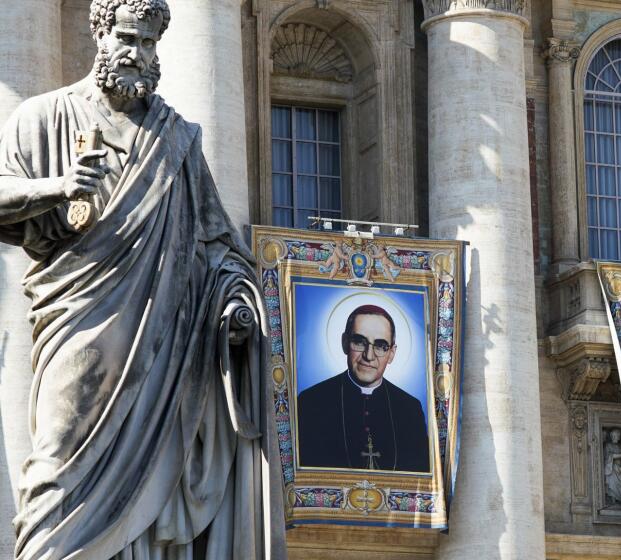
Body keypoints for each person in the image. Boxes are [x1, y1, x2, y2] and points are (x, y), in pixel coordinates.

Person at [0, 1, 284, 558]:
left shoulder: (177, 137)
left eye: (150, 45)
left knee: (152, 491)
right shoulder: (43, 115)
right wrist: (58, 187)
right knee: (55, 469)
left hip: (164, 341)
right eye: (128, 40)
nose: (138, 55)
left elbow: (217, 243)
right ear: (99, 36)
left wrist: (235, 304)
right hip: (78, 324)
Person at [296, 305, 430, 472]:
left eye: (381, 346)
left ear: (392, 354)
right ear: (345, 343)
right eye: (359, 342)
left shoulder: (410, 408)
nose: (369, 355)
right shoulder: (311, 402)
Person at [603, 428, 621, 507]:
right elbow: (609, 456)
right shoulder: (608, 445)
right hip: (612, 467)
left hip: (620, 467)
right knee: (613, 484)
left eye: (619, 435)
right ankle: (613, 501)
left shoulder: (620, 447)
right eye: (616, 435)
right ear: (612, 436)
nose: (618, 437)